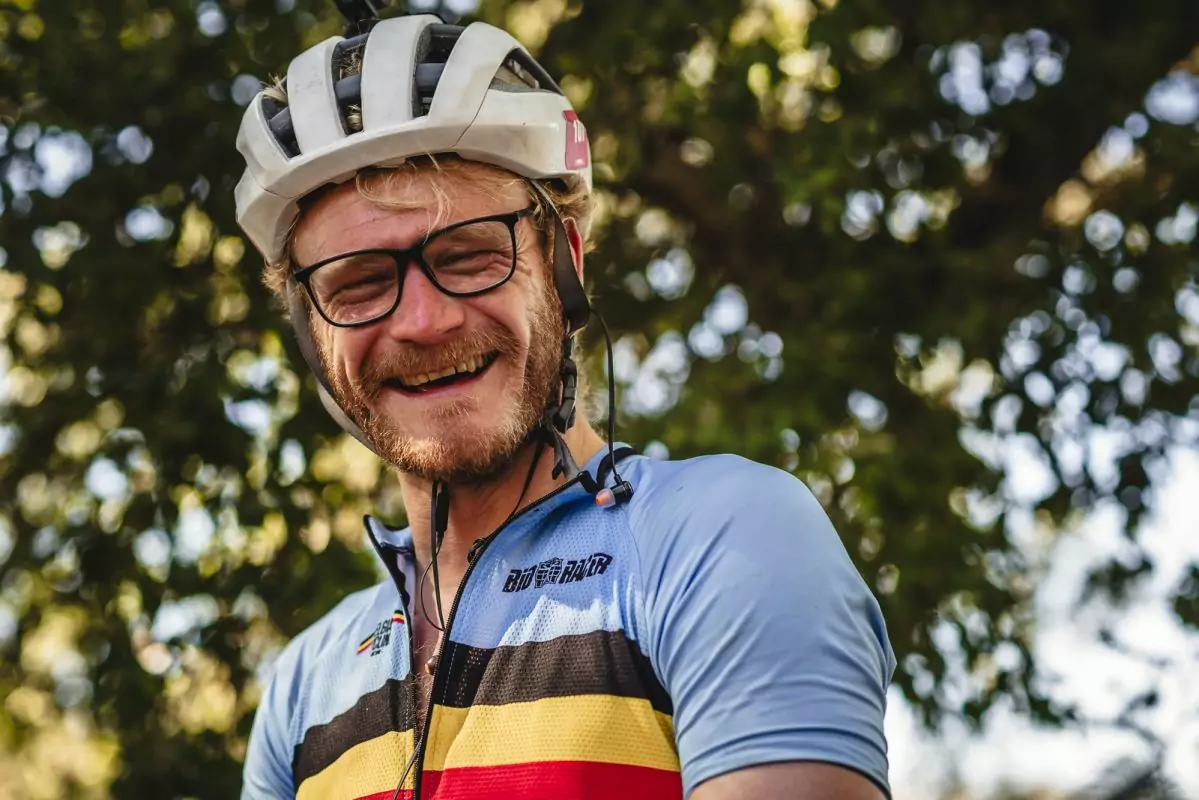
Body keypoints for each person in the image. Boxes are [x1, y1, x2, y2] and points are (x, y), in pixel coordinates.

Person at [235, 7, 895, 800]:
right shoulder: (304, 683)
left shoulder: (720, 540)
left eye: (468, 255)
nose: (422, 322)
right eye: (361, 283)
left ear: (563, 264)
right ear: (311, 333)